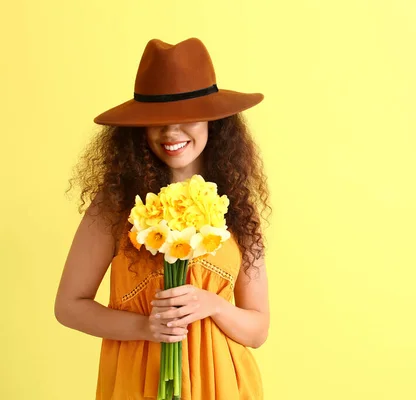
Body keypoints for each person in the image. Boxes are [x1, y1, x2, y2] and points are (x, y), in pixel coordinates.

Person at [54, 37, 270, 399]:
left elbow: (258, 330)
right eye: (156, 120)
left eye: (187, 117)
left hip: (225, 385)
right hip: (138, 382)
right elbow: (69, 307)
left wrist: (212, 304)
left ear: (214, 122)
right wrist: (145, 327)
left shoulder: (236, 204)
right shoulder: (116, 204)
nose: (170, 132)